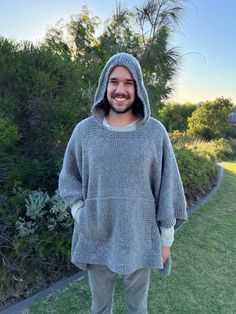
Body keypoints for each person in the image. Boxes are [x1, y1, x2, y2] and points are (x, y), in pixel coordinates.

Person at [59, 52, 187, 314]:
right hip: (96, 237)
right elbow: (68, 177)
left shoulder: (154, 132)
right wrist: (80, 212)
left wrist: (166, 240)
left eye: (128, 82)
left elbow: (169, 185)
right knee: (100, 308)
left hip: (140, 238)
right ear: (104, 85)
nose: (120, 89)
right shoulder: (85, 131)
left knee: (137, 309)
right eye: (114, 81)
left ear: (138, 87)